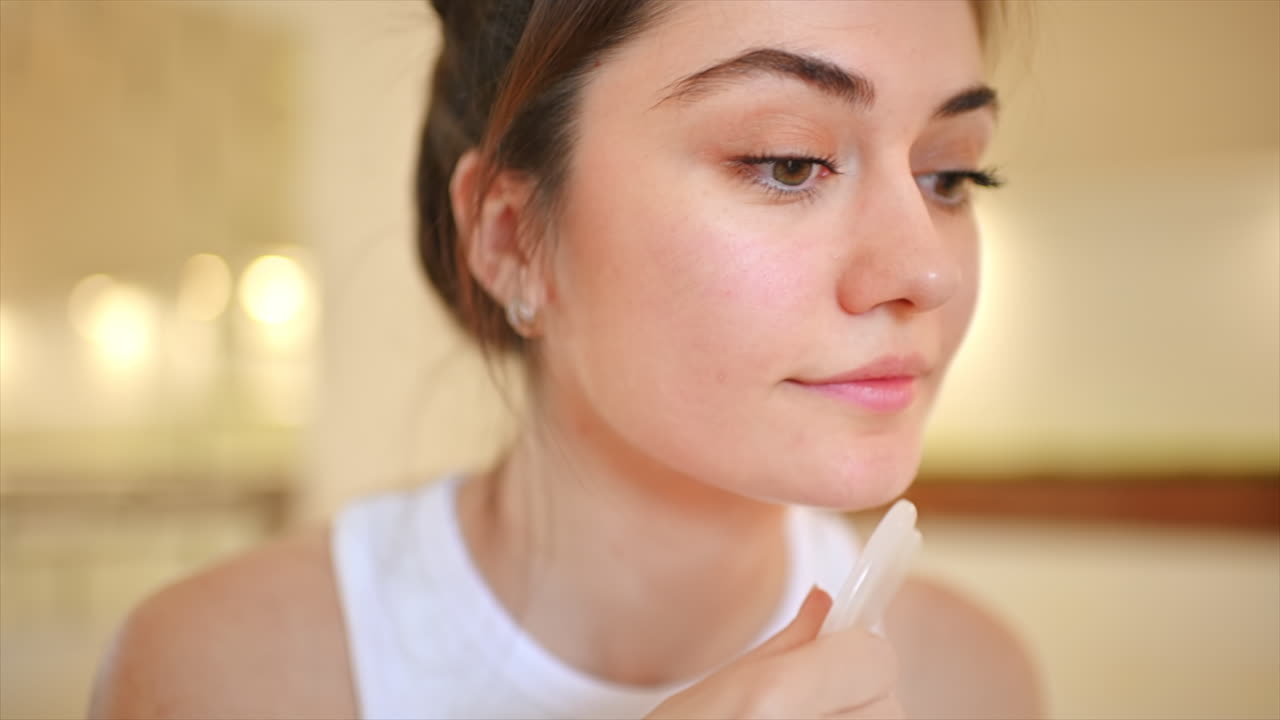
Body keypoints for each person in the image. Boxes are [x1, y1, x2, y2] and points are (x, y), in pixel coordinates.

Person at [90, 1, 1041, 718]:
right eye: (787, 161)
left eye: (950, 174)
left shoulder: (968, 680)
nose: (924, 267)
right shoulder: (227, 673)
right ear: (511, 240)